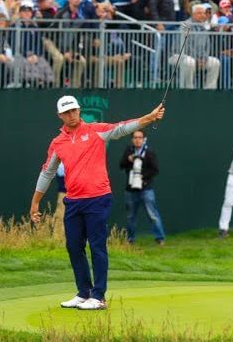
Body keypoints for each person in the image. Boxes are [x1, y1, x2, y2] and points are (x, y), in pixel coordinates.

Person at [29, 96, 165, 310]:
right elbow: (47, 172)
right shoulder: (58, 143)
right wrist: (35, 203)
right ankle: (84, 293)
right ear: (60, 116)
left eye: (74, 110)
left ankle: (98, 296)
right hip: (73, 200)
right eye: (66, 112)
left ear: (79, 110)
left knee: (97, 246)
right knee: (74, 246)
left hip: (98, 198)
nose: (71, 115)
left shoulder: (96, 130)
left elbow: (123, 128)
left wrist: (149, 117)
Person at [119, 130, 165, 245]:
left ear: (144, 139)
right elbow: (121, 165)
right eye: (135, 137)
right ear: (132, 139)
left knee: (152, 214)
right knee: (130, 217)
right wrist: (128, 160)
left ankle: (160, 238)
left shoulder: (149, 152)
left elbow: (155, 169)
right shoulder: (129, 151)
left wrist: (143, 179)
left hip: (146, 189)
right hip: (130, 190)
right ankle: (130, 240)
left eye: (140, 137)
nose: (137, 139)